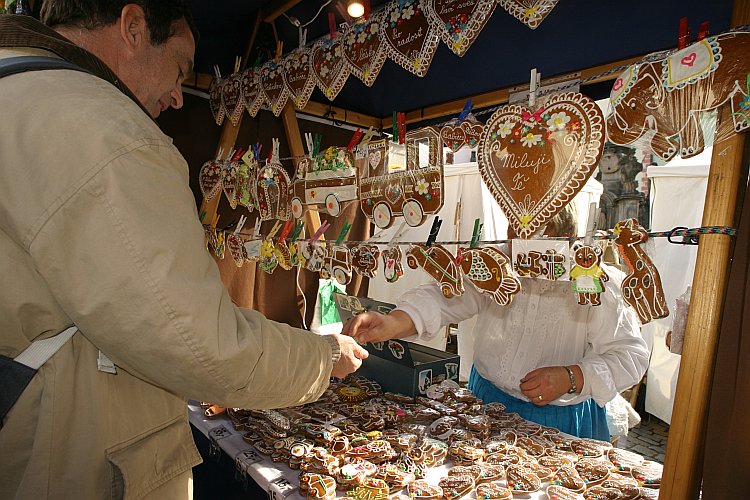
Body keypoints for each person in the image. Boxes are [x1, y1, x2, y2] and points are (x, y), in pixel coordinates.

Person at [0, 2, 367, 498]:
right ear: (132, 27)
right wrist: (323, 356)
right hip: (68, 457)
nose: (178, 96)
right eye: (178, 68)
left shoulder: (18, 92)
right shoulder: (107, 130)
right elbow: (203, 346)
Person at [343, 207, 649, 441]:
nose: (514, 247)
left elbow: (630, 355)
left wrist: (573, 376)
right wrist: (394, 321)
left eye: (531, 238)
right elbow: (447, 296)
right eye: (512, 233)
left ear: (563, 238)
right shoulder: (498, 264)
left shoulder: (593, 281)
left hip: (561, 419)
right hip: (484, 403)